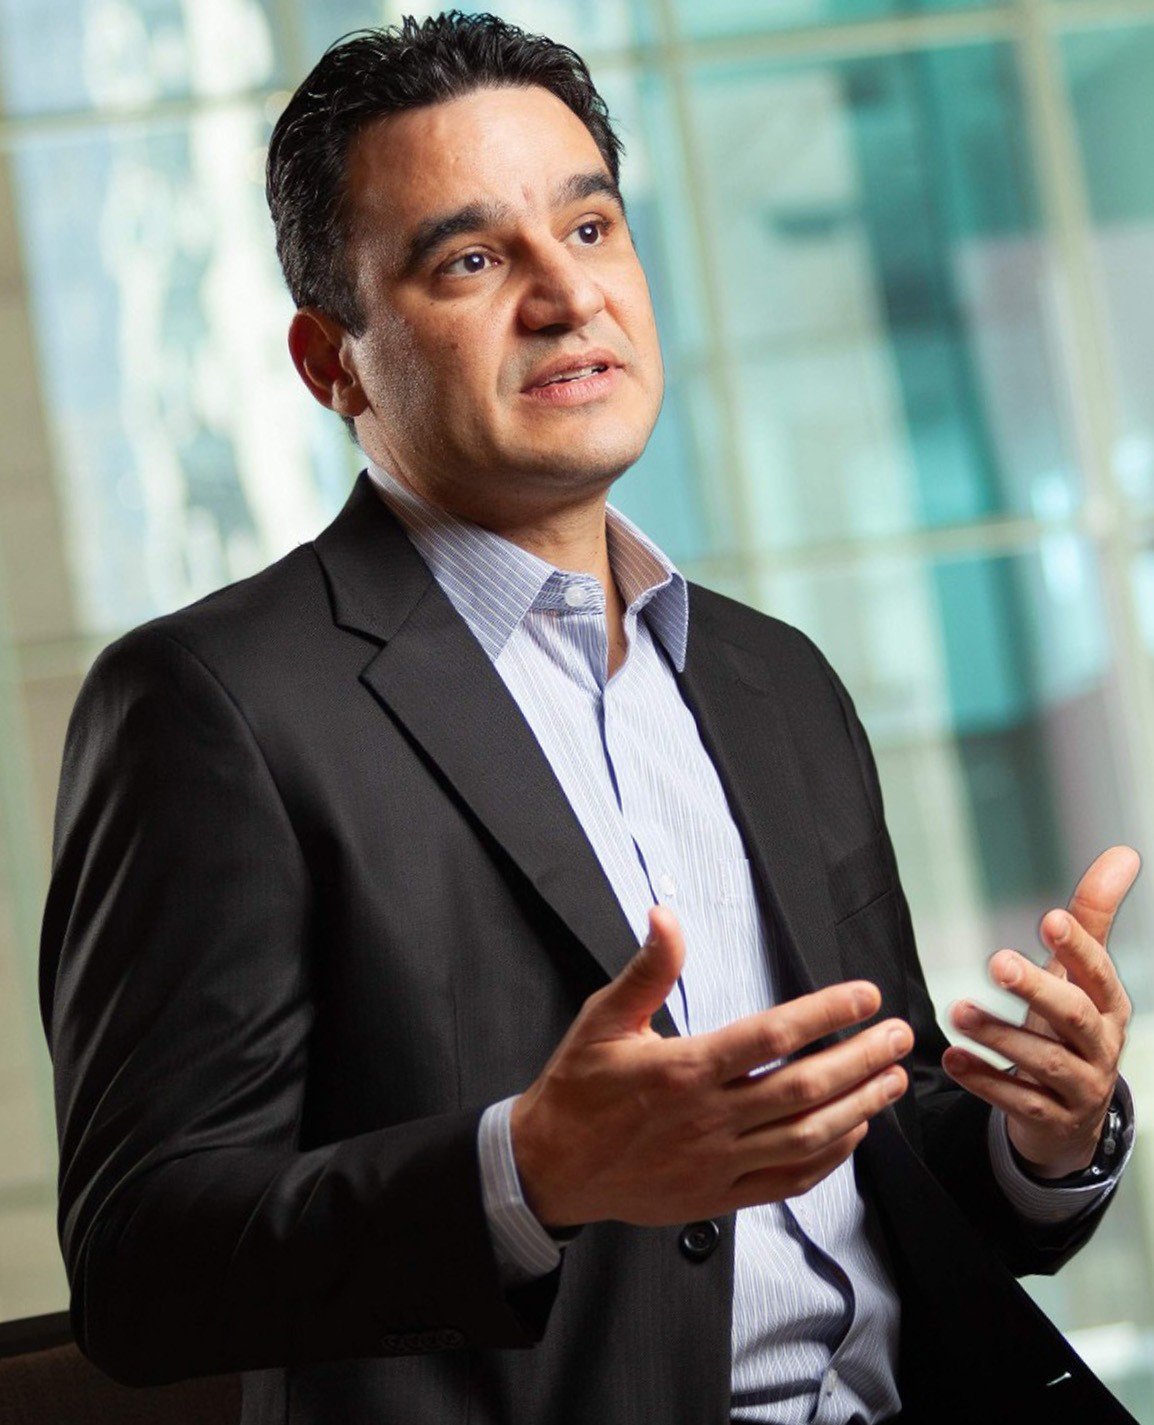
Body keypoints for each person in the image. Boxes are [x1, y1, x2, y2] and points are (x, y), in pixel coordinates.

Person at [40, 12, 1140, 1425]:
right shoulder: (214, 705)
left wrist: (1040, 1134)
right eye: (471, 259)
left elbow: (882, 1159)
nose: (567, 295)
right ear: (332, 364)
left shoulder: (775, 680)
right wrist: (528, 1172)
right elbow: (140, 1269)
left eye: (591, 227)